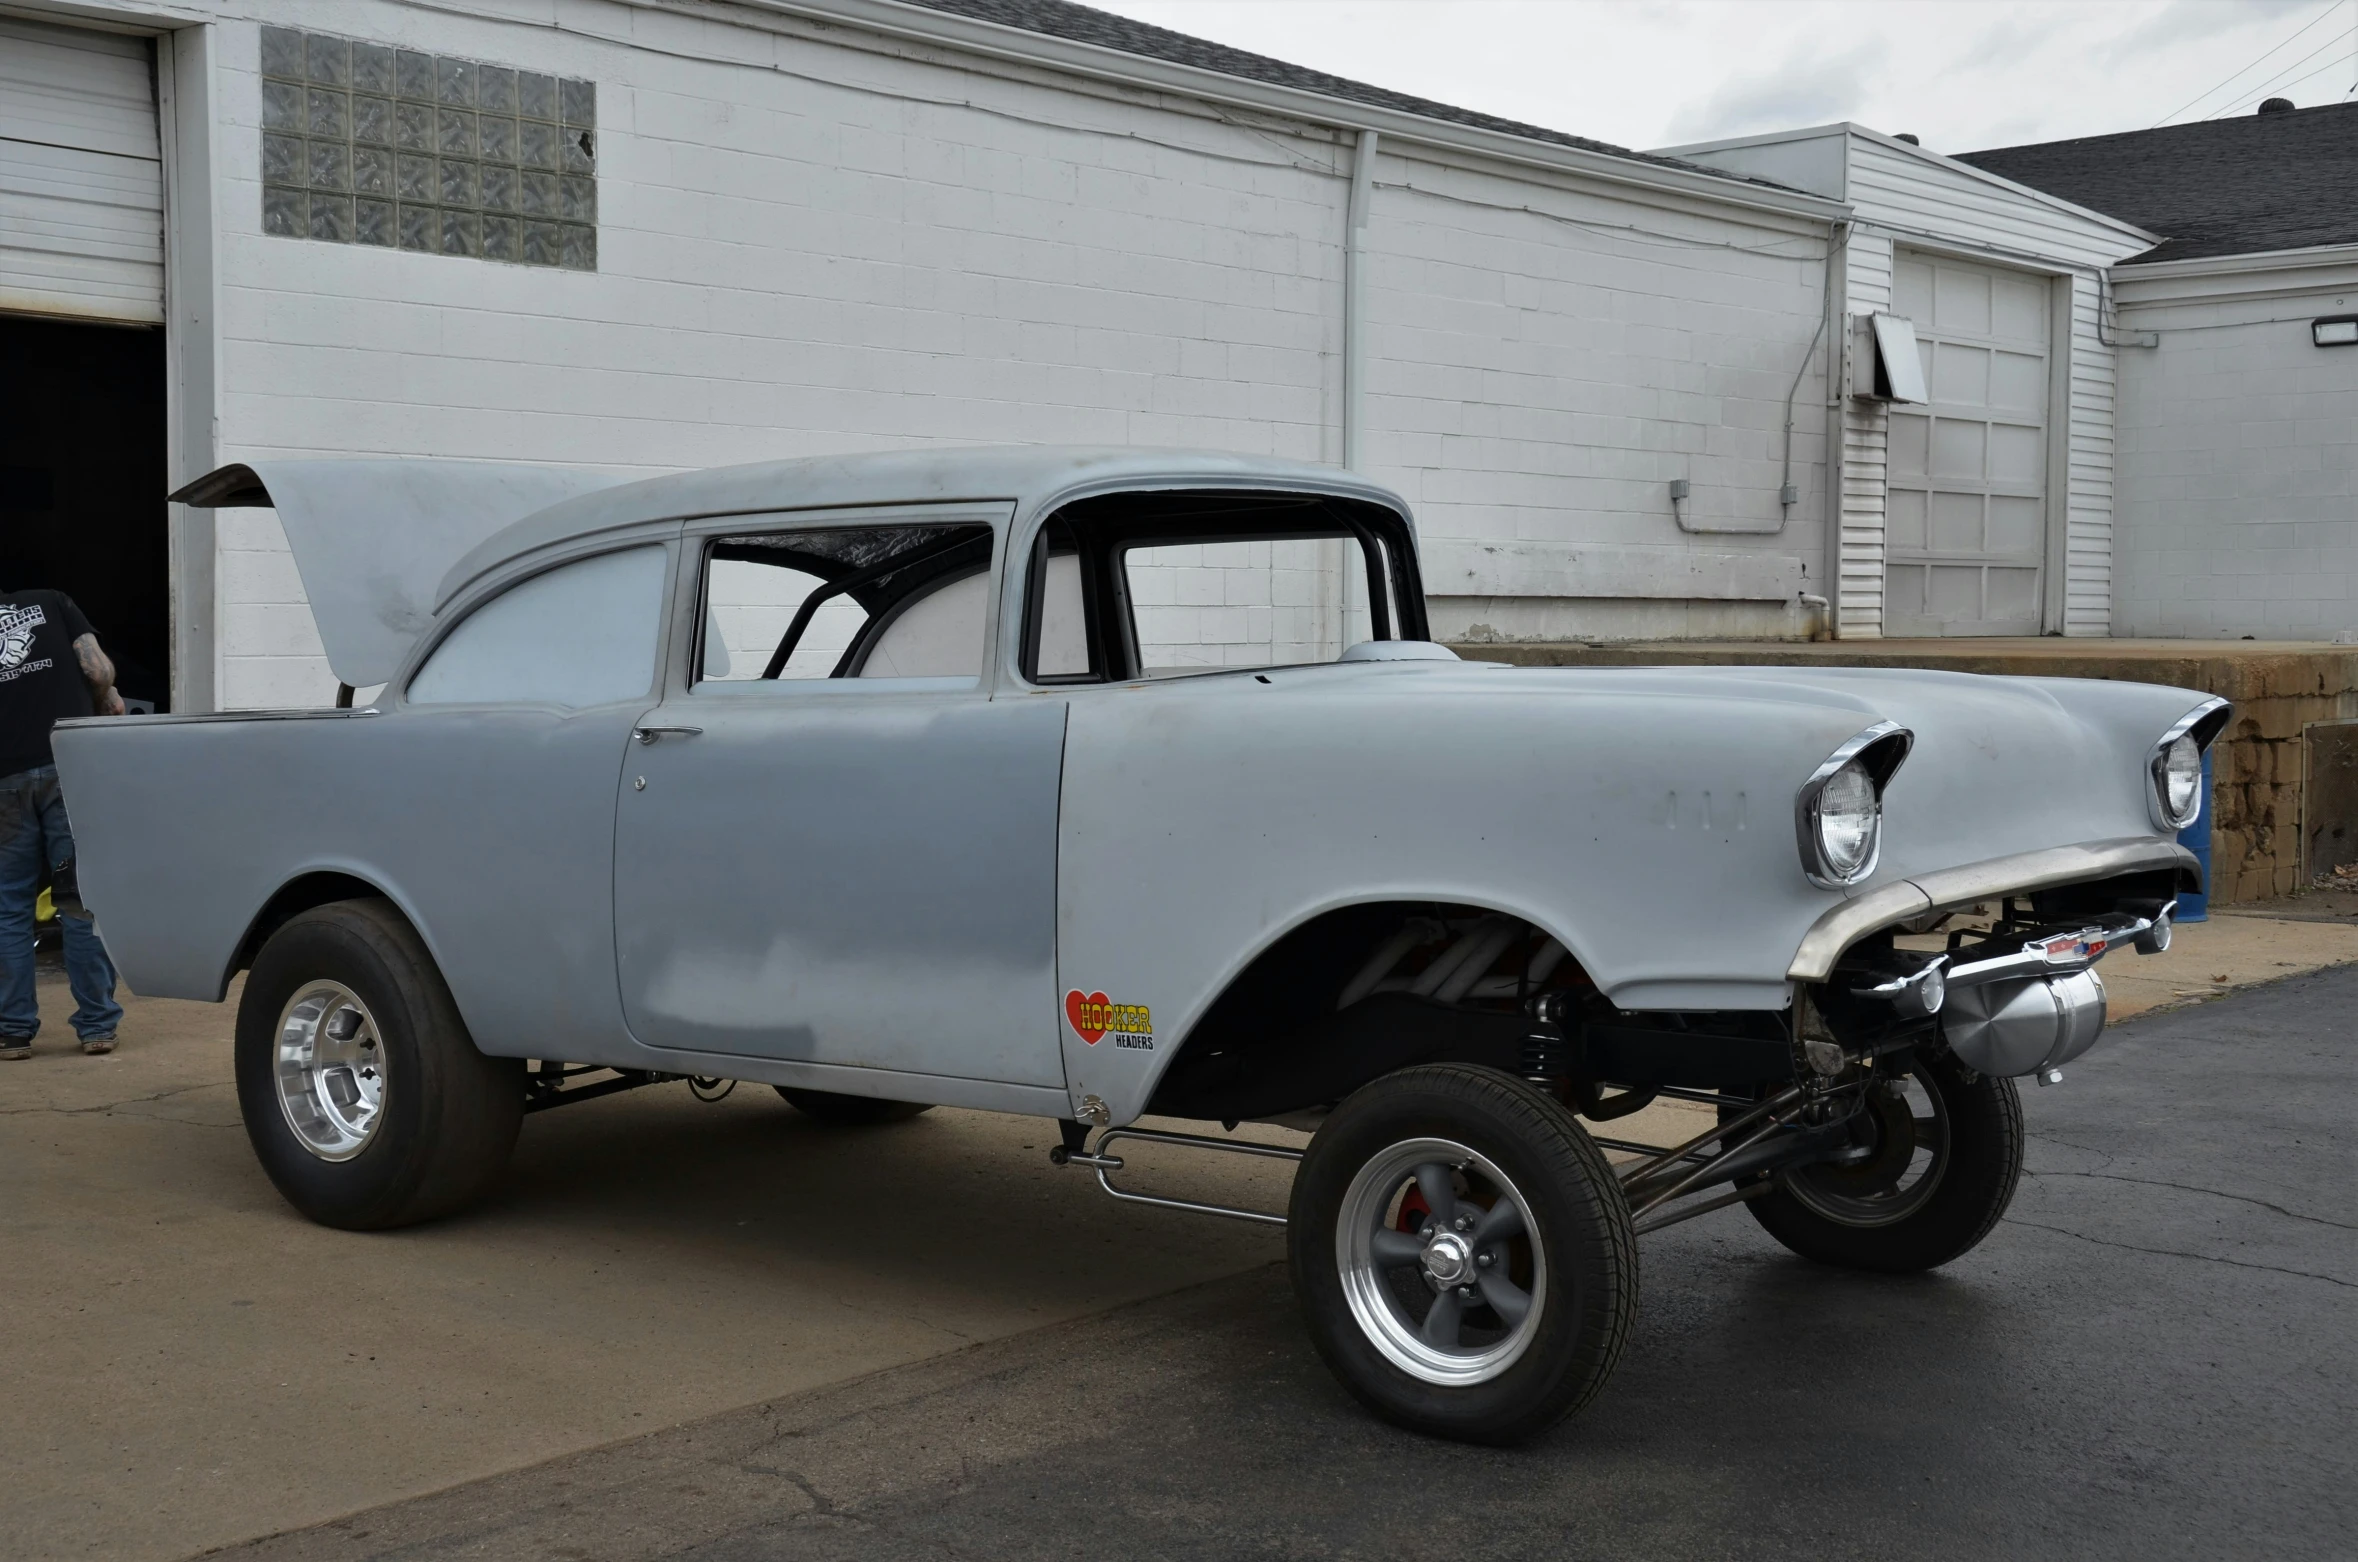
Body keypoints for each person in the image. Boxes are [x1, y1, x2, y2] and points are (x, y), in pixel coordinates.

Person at [0, 589, 125, 1059]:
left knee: (9, 906)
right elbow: (97, 670)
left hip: (4, 779)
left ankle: (13, 1031)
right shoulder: (52, 601)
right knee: (79, 899)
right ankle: (95, 1026)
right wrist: (105, 695)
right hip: (65, 765)